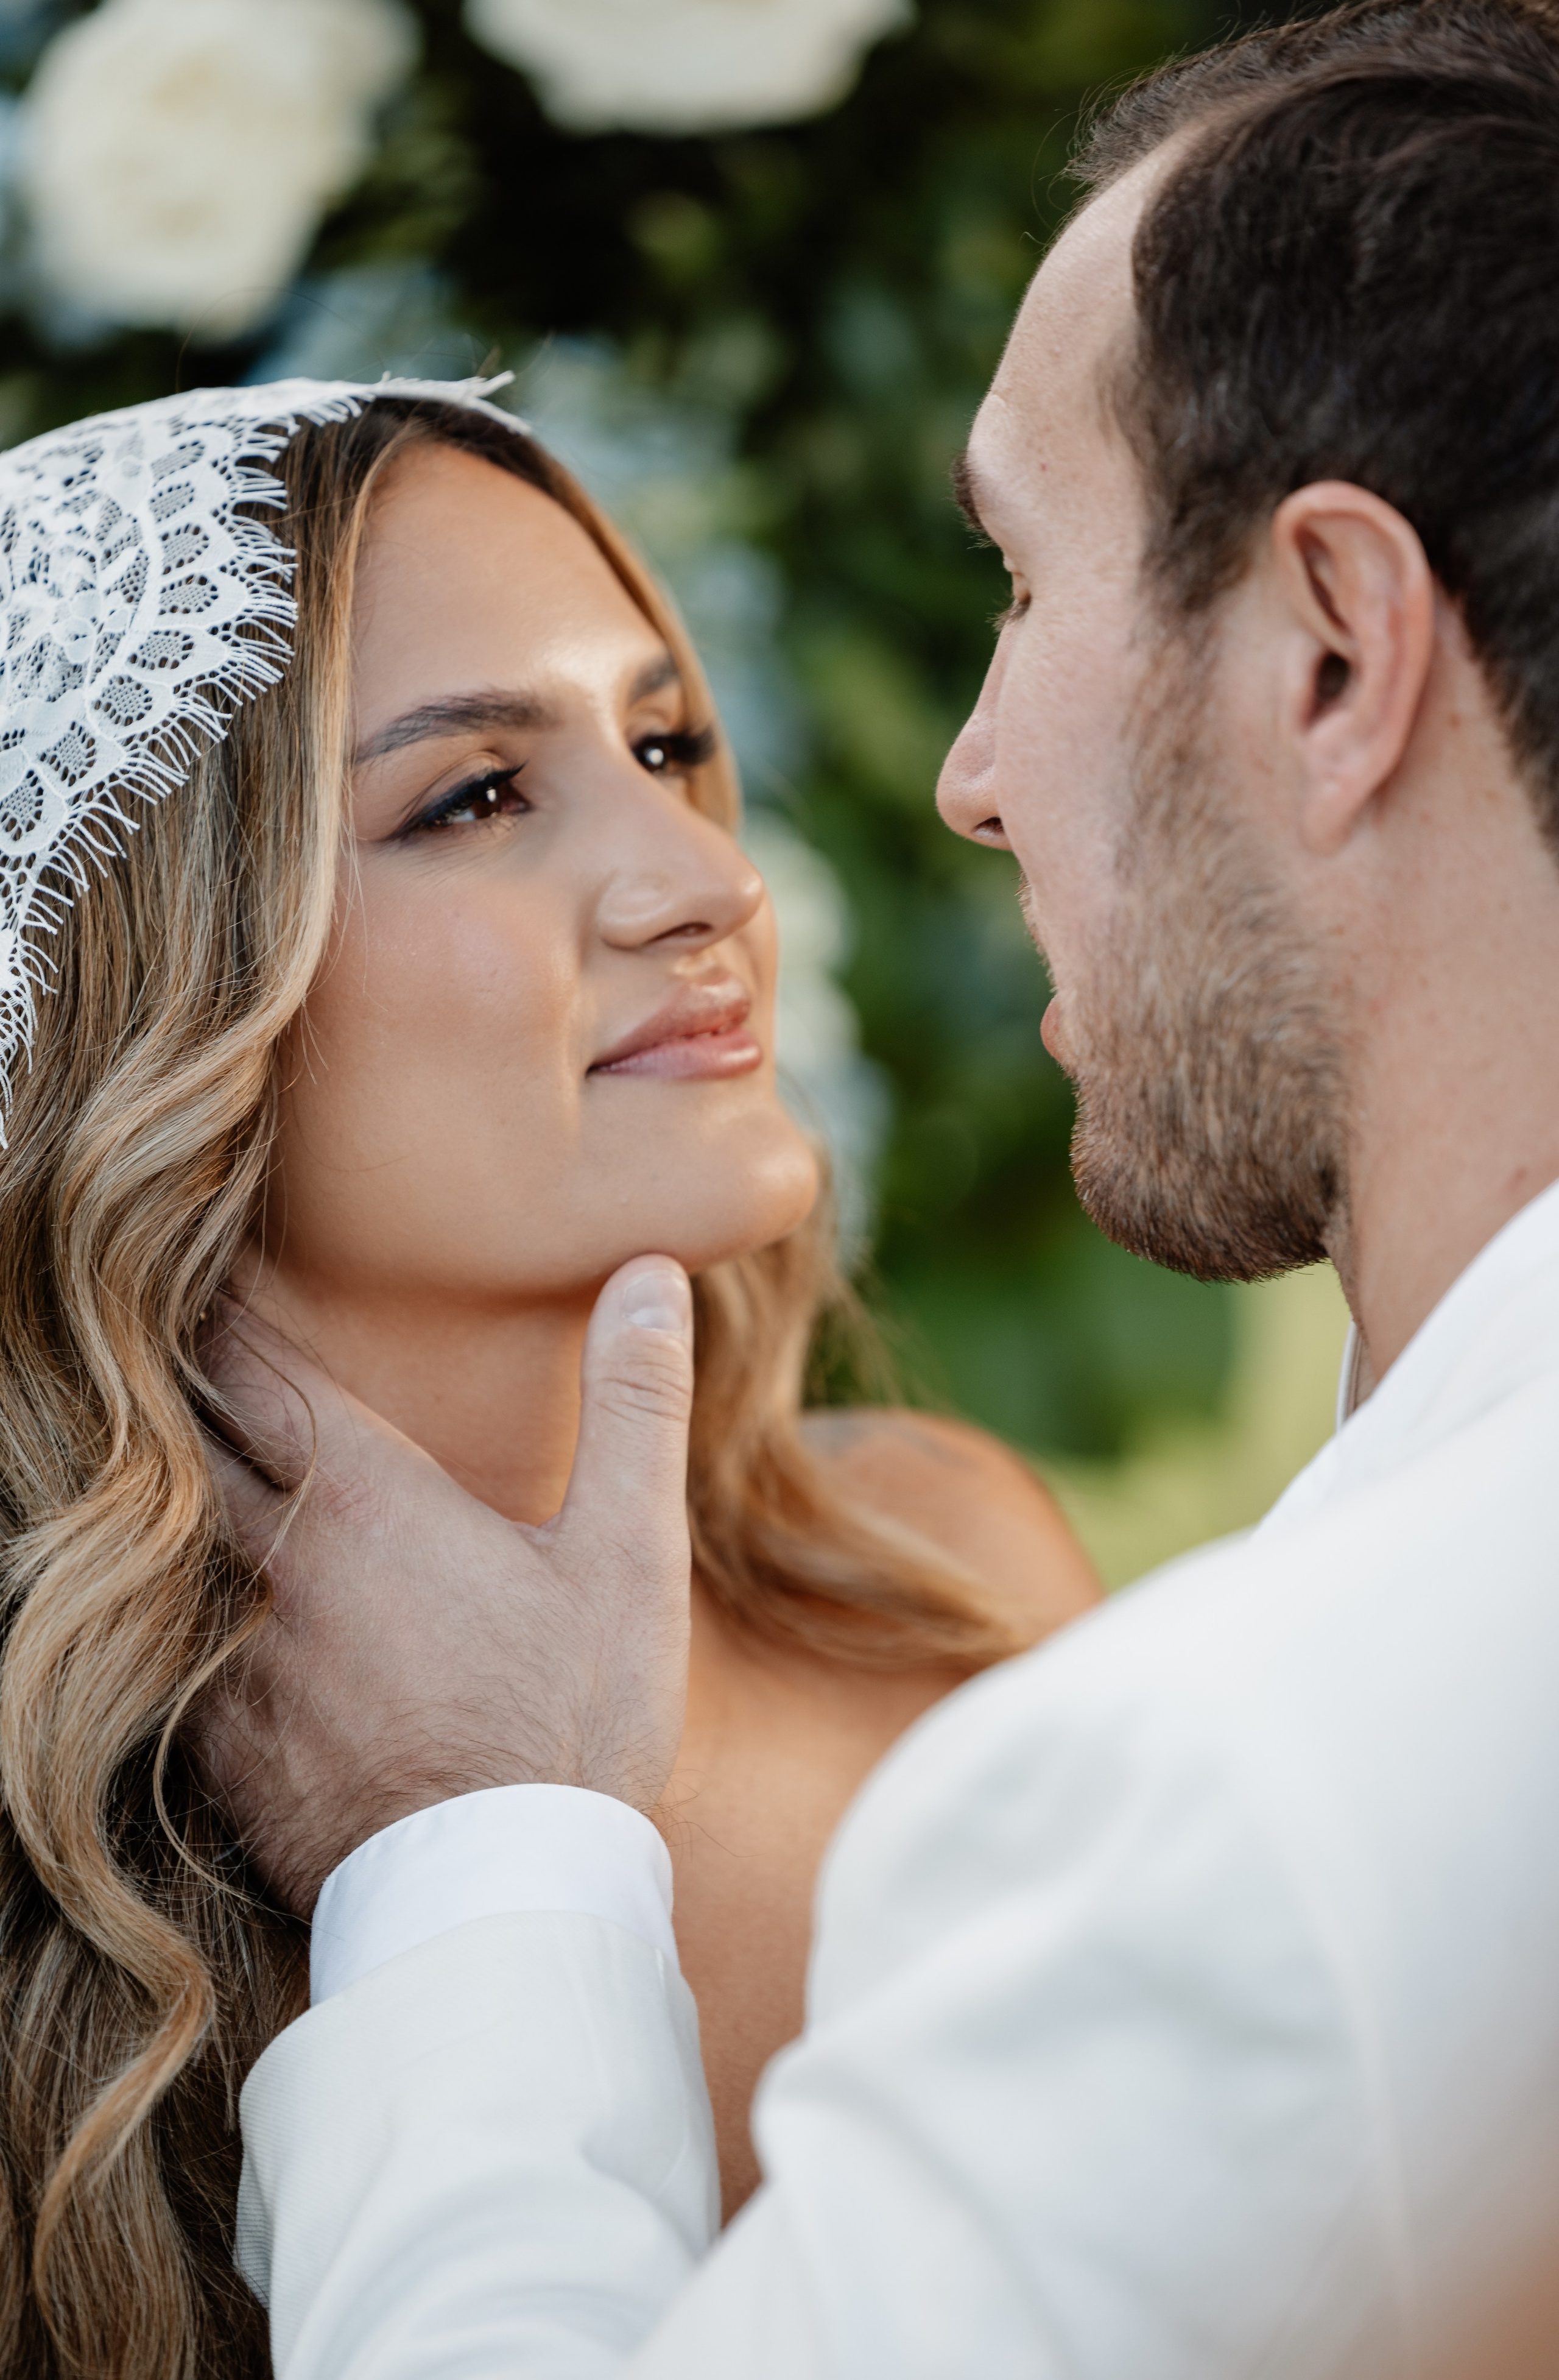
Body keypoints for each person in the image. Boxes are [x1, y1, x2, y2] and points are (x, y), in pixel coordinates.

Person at [205, 3, 1559, 2374]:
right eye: (473, 793)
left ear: (1335, 651)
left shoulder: (1231, 1807)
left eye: (1020, 586)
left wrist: (468, 1863)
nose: (956, 777)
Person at [0, 375, 1096, 2377]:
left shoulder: (944, 1570)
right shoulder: (66, 1901)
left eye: (670, 738)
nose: (704, 875)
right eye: (477, 795)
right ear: (161, 996)